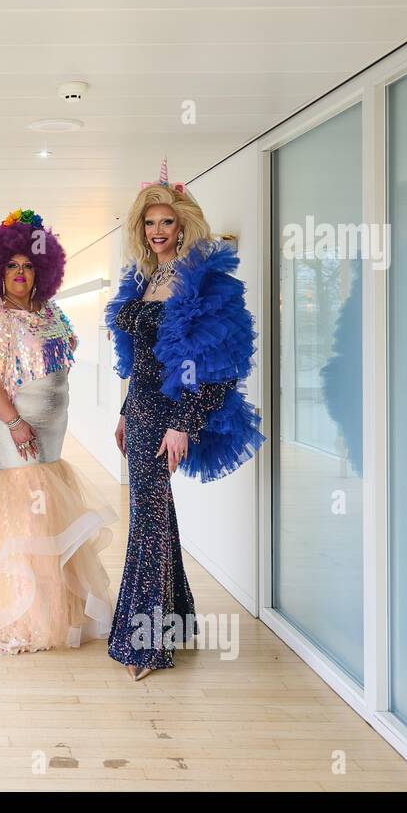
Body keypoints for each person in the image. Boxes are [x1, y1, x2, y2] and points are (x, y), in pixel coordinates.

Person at [0, 209, 116, 655]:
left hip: (51, 426)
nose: (19, 272)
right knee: (25, 507)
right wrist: (14, 422)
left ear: (42, 271)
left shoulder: (51, 310)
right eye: (11, 266)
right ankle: (19, 613)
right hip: (10, 422)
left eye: (28, 265)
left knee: (47, 507)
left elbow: (67, 347)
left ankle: (57, 607)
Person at [105, 164, 264, 680]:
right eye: (149, 223)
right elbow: (140, 359)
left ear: (183, 225)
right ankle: (177, 622)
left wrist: (183, 425)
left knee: (147, 520)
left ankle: (147, 644)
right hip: (143, 409)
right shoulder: (144, 277)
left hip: (172, 414)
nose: (157, 232)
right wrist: (128, 412)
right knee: (156, 516)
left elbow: (219, 372)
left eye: (166, 223)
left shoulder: (204, 282)